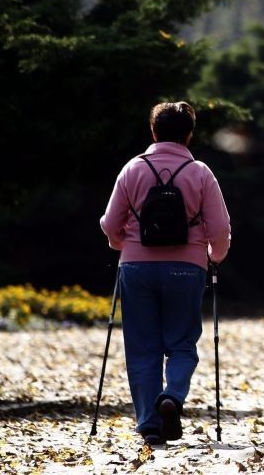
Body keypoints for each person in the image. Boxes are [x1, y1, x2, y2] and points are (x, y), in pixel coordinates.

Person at [100, 102, 231, 445]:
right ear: (189, 134)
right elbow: (219, 228)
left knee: (142, 347)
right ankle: (172, 395)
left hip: (136, 266)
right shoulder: (201, 172)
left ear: (153, 131)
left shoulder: (133, 169)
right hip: (186, 268)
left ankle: (149, 423)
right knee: (182, 343)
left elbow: (111, 223)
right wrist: (213, 256)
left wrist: (122, 244)